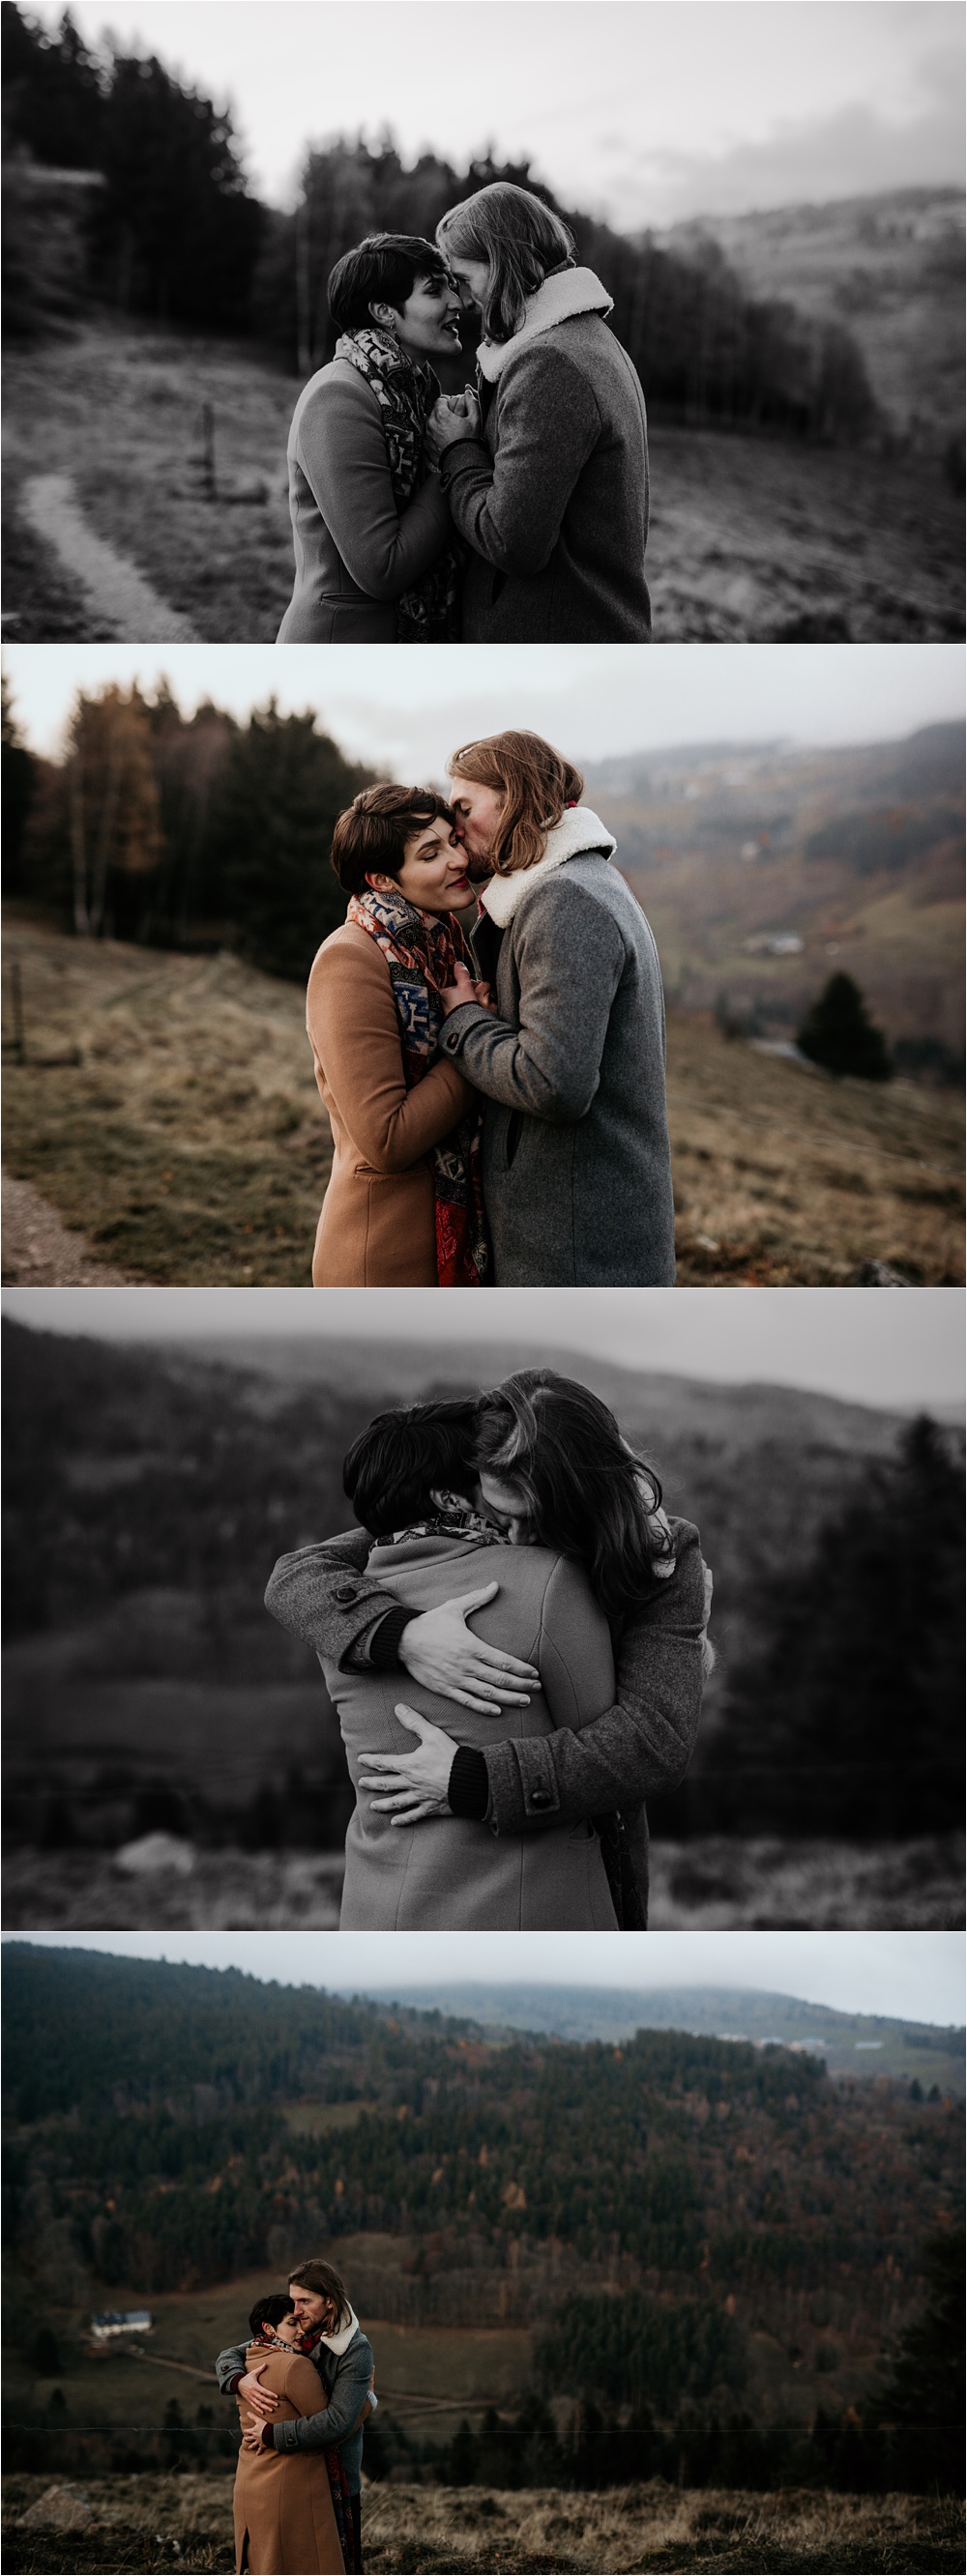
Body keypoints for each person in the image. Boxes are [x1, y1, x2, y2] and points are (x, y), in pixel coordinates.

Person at [265, 1373, 710, 1929]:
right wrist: (403, 1634)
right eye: (503, 1512)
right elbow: (299, 1572)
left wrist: (473, 1779)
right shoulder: (479, 1510)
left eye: (538, 1517)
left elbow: (653, 1745)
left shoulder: (658, 1557)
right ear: (469, 1488)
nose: (518, 1538)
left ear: (585, 1497)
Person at [437, 729, 675, 1286]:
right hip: (573, 1223)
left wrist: (464, 1023)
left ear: (512, 796)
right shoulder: (576, 885)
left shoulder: (565, 900)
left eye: (464, 807)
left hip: (575, 1239)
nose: (454, 826)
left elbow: (554, 1082)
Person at [426, 183, 652, 642]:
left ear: (502, 262)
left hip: (551, 634)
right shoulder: (586, 341)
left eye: (465, 280)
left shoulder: (552, 364)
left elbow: (511, 541)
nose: (463, 301)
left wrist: (459, 450)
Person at [308, 785, 491, 1288]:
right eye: (431, 854)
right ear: (383, 879)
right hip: (384, 1256)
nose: (459, 860)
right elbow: (386, 1139)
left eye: (454, 840)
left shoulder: (447, 940)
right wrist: (473, 1037)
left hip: (451, 1241)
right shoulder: (350, 959)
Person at [277, 234, 463, 643]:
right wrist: (451, 458)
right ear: (384, 312)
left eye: (452, 285)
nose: (458, 301)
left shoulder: (417, 394)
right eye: (435, 290)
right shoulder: (338, 397)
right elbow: (382, 568)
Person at [218, 2262, 374, 2576]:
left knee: (339, 2564)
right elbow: (230, 2354)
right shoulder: (291, 2334)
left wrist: (274, 2434)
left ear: (329, 2300)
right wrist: (239, 2381)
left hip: (336, 2477)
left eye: (305, 2301)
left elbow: (338, 2423)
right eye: (294, 2300)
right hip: (296, 2479)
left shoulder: (354, 2349)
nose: (296, 2309)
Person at [231, 2296, 347, 2574]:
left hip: (252, 2485)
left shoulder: (248, 2363)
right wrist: (366, 2400)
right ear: (269, 2329)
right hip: (291, 2492)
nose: (301, 2330)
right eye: (291, 2323)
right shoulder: (294, 2366)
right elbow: (332, 2428)